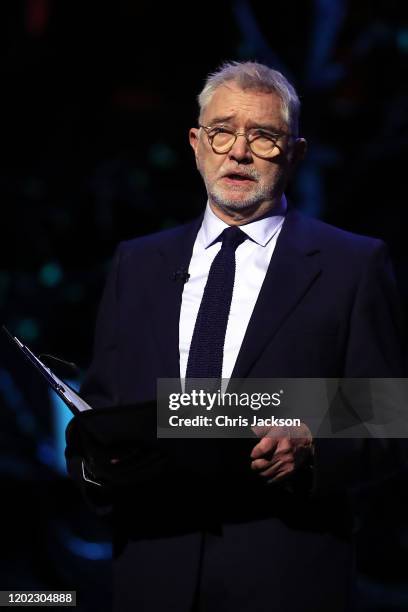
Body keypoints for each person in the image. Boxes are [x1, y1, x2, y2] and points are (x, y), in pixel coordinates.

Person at [65, 61, 406, 612]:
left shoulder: (353, 264)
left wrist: (315, 443)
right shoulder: (137, 263)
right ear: (197, 144)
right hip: (151, 574)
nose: (239, 152)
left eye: (264, 137)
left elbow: (390, 413)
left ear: (294, 153)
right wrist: (95, 470)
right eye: (222, 131)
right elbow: (102, 410)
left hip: (287, 577)